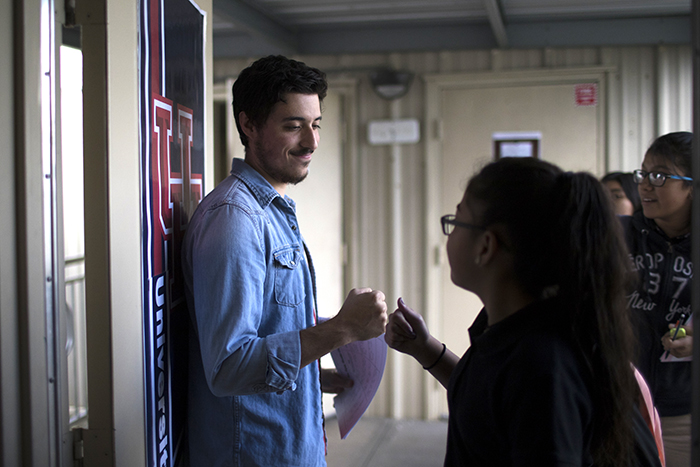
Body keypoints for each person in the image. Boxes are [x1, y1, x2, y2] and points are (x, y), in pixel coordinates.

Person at [385, 157, 662, 466]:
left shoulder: (545, 364)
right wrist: (425, 349)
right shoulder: (512, 325)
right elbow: (488, 398)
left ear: (485, 246)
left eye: (456, 222)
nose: (448, 235)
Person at [181, 55, 388, 467]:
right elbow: (229, 367)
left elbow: (265, 334)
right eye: (293, 126)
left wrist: (312, 377)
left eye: (316, 125)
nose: (311, 142)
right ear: (249, 125)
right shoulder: (235, 219)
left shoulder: (272, 210)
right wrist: (342, 329)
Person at [622, 131, 693, 467]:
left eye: (660, 175)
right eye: (644, 173)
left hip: (684, 414)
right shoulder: (619, 235)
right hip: (619, 405)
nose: (646, 185)